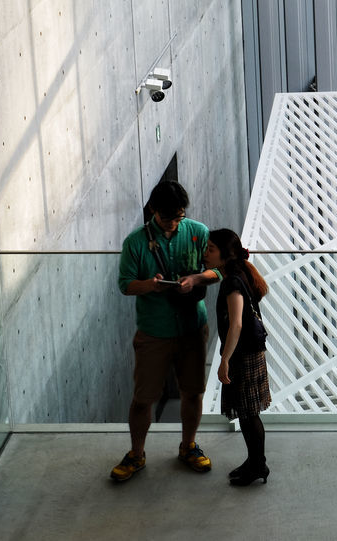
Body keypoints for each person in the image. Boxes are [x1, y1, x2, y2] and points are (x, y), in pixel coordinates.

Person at [111, 180, 222, 482]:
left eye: (179, 217)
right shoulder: (135, 243)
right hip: (154, 331)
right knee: (144, 397)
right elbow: (125, 284)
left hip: (191, 328)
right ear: (152, 211)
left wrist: (198, 279)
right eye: (167, 217)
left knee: (193, 392)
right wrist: (151, 285)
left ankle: (188, 445)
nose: (173, 223)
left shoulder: (198, 232)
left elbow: (220, 268)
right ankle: (136, 454)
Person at [203, 228, 272, 486]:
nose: (206, 253)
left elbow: (237, 325)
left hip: (243, 354)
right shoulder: (239, 272)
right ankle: (255, 461)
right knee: (248, 412)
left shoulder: (232, 281)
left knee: (249, 413)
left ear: (225, 253)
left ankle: (258, 464)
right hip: (251, 351)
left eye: (210, 249)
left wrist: (224, 360)